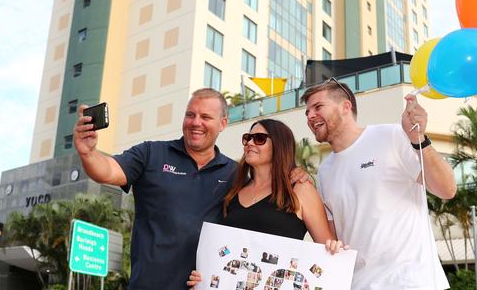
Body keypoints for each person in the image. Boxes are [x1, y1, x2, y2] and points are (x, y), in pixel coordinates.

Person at [74, 89, 310, 289]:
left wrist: (294, 174)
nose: (196, 122)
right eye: (190, 115)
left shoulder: (235, 174)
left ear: (223, 124)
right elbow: (107, 171)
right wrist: (88, 153)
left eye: (206, 116)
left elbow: (260, 211)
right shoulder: (151, 154)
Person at [301, 78, 457, 290]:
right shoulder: (325, 171)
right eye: (307, 112)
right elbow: (334, 238)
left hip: (412, 282)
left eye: (318, 107)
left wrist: (420, 139)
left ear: (346, 106)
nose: (310, 116)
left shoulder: (391, 136)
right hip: (358, 284)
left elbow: (447, 189)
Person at [186, 119, 344, 288]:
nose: (250, 143)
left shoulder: (300, 189)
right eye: (247, 138)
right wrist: (205, 275)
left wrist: (335, 247)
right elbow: (224, 254)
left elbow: (327, 247)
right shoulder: (233, 193)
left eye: (259, 138)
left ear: (278, 145)